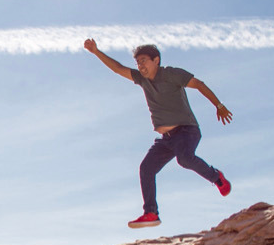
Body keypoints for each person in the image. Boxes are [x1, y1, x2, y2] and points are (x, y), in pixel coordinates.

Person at [84, 39, 233, 229]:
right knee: (146, 168)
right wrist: (96, 51)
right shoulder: (141, 79)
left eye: (144, 61)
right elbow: (118, 68)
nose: (140, 66)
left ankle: (216, 177)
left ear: (156, 60)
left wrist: (219, 106)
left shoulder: (172, 74)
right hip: (166, 139)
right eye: (138, 62)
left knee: (185, 159)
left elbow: (199, 84)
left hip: (187, 131)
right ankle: (151, 213)